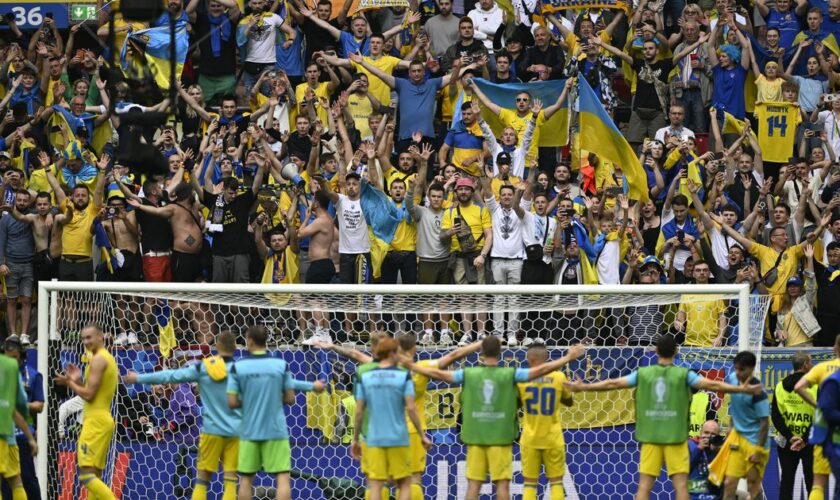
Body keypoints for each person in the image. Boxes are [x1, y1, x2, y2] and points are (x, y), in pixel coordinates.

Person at [565, 336, 763, 500]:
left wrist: (583, 386)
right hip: (676, 439)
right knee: (681, 486)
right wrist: (741, 388)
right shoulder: (684, 375)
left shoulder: (643, 373)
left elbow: (612, 383)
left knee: (644, 486)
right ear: (676, 352)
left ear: (656, 352)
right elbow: (714, 386)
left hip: (651, 437)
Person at [404, 336, 585, 500]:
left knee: (473, 486)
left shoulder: (468, 374)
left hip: (476, 438)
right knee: (504, 486)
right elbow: (542, 370)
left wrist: (412, 366)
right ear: (500, 353)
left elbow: (440, 374)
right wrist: (567, 357)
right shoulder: (510, 375)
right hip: (502, 439)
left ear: (481, 353)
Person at [124, 331, 242, 500]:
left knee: (199, 478)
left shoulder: (183, 388)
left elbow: (191, 412)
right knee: (218, 476)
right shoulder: (177, 392)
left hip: (188, 440)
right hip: (195, 437)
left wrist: (170, 426)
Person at [226, 325, 326, 500]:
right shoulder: (280, 365)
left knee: (246, 480)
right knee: (282, 479)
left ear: (249, 341)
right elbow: (290, 399)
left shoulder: (238, 367)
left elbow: (232, 402)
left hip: (250, 430)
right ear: (266, 341)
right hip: (276, 430)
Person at [351, 337, 430, 500]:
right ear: (393, 353)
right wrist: (422, 435)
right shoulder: (402, 375)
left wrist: (355, 439)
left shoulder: (366, 375)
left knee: (376, 483)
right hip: (398, 436)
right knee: (405, 483)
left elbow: (359, 411)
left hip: (374, 436)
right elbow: (411, 407)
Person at [53, 324, 119, 500]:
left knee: (85, 475)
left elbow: (88, 396)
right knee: (94, 475)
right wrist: (78, 381)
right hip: (101, 419)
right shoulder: (105, 358)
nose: (86, 341)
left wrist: (69, 383)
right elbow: (91, 393)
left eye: (89, 337)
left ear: (100, 337)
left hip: (95, 422)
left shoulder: (99, 359)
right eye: (83, 338)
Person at [518, 343, 573, 500]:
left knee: (529, 484)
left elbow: (516, 404)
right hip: (553, 438)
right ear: (547, 358)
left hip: (530, 438)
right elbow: (569, 402)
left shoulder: (523, 378)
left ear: (530, 358)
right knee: (556, 483)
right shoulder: (559, 377)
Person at [714, 351, 770, 500]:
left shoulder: (759, 393)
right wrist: (730, 429)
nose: (737, 373)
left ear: (751, 369)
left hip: (754, 441)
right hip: (737, 439)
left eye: (742, 369)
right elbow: (735, 406)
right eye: (736, 368)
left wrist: (758, 450)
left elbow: (765, 424)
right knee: (729, 482)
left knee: (753, 484)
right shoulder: (732, 379)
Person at [793, 334, 840, 500]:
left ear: (835, 349)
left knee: (818, 484)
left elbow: (798, 387)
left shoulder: (822, 368)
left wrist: (817, 405)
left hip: (823, 431)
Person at [0, 335, 42, 500]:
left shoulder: (22, 375)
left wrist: (30, 436)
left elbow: (16, 409)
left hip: (11, 436)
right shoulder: (13, 375)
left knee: (20, 481)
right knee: (15, 481)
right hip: (10, 435)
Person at [772, 351, 815, 499]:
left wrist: (791, 437)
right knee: (812, 483)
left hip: (787, 442)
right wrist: (803, 438)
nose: (812, 365)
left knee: (787, 482)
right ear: (804, 365)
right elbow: (819, 416)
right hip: (809, 442)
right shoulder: (815, 386)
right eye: (810, 362)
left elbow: (776, 417)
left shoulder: (779, 386)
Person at [688, 420, 722, 500]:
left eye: (713, 434)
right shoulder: (690, 445)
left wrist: (715, 453)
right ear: (700, 433)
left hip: (714, 493)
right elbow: (685, 468)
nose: (709, 437)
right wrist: (700, 448)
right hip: (694, 492)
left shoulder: (719, 450)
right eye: (706, 433)